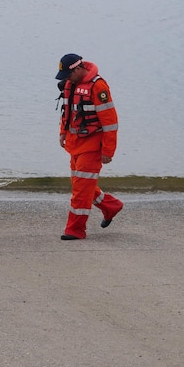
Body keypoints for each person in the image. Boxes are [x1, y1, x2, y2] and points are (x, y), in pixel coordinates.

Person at [55, 53, 123, 240]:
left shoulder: (98, 87)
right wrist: (63, 132)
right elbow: (67, 112)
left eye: (68, 75)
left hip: (92, 147)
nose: (66, 80)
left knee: (80, 191)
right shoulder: (71, 84)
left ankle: (75, 230)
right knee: (81, 185)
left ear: (78, 69)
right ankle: (111, 205)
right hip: (74, 144)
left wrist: (108, 151)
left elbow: (110, 123)